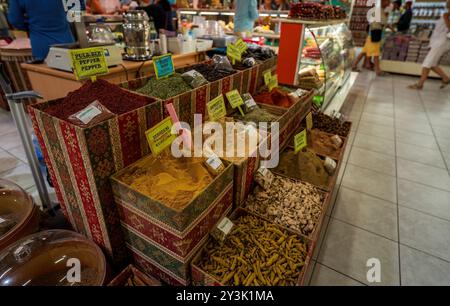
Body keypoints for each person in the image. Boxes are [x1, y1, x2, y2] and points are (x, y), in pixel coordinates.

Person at [7, 0, 75, 61]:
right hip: (67, 41)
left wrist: (29, 26)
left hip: (41, 44)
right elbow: (75, 10)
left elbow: (15, 20)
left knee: (45, 73)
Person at [409, 0, 450, 89]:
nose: (447, 3)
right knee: (432, 63)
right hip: (439, 41)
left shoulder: (446, 15)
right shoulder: (445, 14)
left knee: (427, 63)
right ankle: (446, 78)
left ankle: (420, 84)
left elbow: (448, 28)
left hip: (440, 42)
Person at [351, 0, 389, 76]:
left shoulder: (378, 9)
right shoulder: (379, 10)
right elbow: (383, 22)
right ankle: (378, 71)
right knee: (376, 53)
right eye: (387, 1)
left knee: (364, 52)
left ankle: (354, 65)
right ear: (383, 1)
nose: (388, 3)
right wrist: (389, 26)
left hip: (372, 34)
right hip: (375, 34)